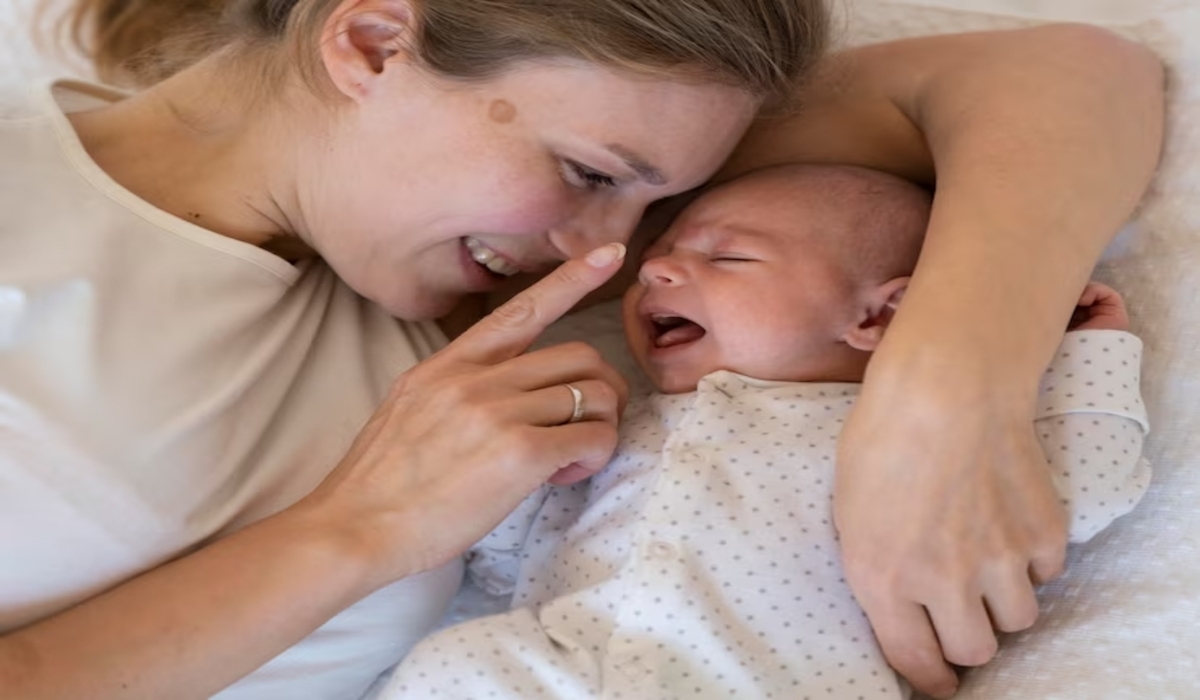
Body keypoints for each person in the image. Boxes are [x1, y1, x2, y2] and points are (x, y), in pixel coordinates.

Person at [0, 0, 1163, 697]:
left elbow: (1075, 78)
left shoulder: (465, 276)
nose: (607, 250)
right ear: (372, 41)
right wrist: (361, 527)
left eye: (659, 198)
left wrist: (942, 400)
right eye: (589, 173)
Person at [374, 165, 1151, 700]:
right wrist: (519, 469)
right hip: (563, 669)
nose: (655, 274)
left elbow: (1075, 492)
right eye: (658, 259)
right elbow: (506, 566)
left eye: (728, 255)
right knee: (454, 664)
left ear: (879, 315)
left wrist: (1090, 358)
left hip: (773, 682)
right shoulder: (620, 423)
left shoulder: (922, 436)